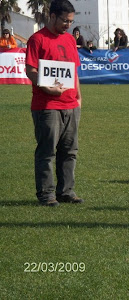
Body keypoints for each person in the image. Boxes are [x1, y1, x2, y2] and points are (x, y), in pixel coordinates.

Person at [25, 0, 84, 207]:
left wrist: (79, 95)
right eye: (65, 20)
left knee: (70, 151)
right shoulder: (37, 39)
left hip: (70, 105)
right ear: (52, 16)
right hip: (46, 105)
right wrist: (47, 88)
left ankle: (66, 191)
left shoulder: (69, 40)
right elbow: (30, 70)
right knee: (47, 151)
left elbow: (73, 70)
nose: (68, 25)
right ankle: (46, 194)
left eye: (71, 21)